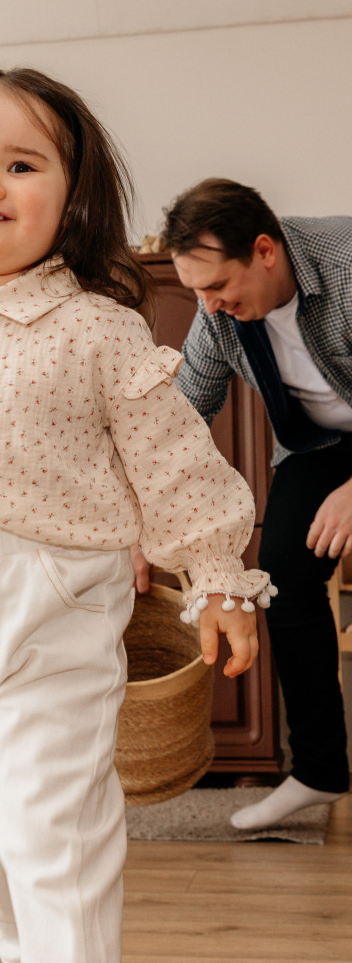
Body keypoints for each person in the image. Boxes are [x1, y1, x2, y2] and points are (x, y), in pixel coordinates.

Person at [0, 67, 274, 963]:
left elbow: (174, 461)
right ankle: (25, 946)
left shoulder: (96, 330)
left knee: (52, 838)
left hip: (58, 609)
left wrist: (218, 578)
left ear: (73, 201)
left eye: (21, 165)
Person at [159, 177, 351, 831]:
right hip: (320, 445)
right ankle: (320, 771)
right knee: (284, 571)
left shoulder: (346, 264)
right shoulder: (217, 318)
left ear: (265, 251)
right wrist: (135, 526)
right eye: (195, 292)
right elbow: (180, 421)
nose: (208, 307)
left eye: (216, 288)